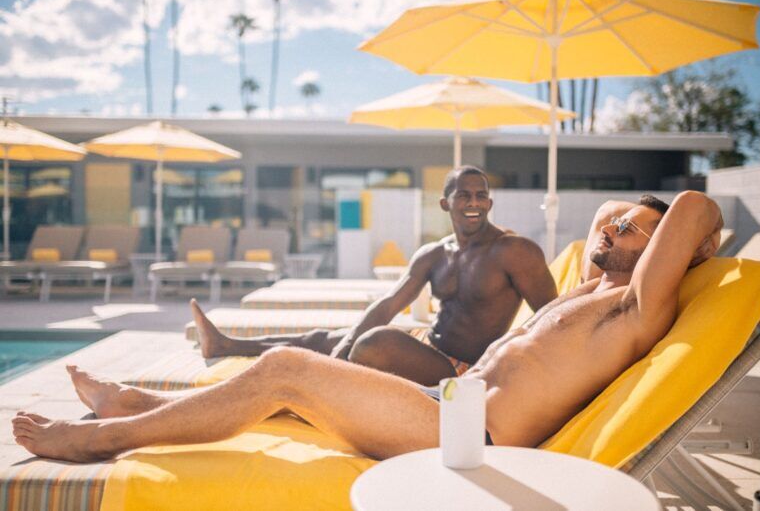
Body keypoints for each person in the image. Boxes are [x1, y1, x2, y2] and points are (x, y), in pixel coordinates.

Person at [12, 191, 723, 464]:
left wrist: (686, 236)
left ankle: (109, 436)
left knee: (289, 367)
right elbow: (615, 217)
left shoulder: (633, 310)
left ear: (671, 253)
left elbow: (692, 205)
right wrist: (617, 222)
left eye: (633, 227)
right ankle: (142, 405)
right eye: (611, 219)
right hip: (449, 409)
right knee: (290, 393)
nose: (612, 225)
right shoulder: (582, 292)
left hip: (472, 438)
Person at [192, 165, 558, 385]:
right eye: (464, 195)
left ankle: (319, 381)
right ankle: (227, 346)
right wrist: (342, 345)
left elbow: (555, 317)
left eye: (481, 196)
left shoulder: (515, 251)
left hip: (465, 369)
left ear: (490, 203)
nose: (474, 203)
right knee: (331, 337)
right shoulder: (434, 253)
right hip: (429, 348)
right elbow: (388, 304)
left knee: (374, 343)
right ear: (446, 203)